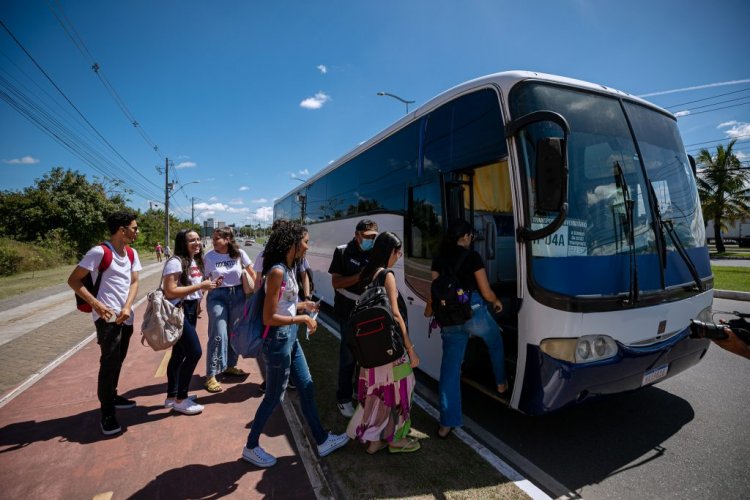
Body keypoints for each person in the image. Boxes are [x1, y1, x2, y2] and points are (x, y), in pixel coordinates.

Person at [242, 222, 349, 467]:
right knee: (274, 397)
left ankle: (322, 440)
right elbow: (268, 317)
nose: (307, 247)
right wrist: (301, 318)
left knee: (307, 386)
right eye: (305, 242)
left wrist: (304, 306)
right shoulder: (277, 271)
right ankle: (251, 446)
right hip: (278, 340)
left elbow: (285, 305)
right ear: (293, 243)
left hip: (289, 336)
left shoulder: (290, 269)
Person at [426, 219, 508, 439]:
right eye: (471, 236)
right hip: (473, 313)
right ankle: (501, 384)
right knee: (495, 341)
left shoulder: (438, 259)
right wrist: (497, 301)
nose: (472, 239)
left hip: (450, 318)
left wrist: (431, 311)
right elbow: (486, 291)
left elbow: (435, 292)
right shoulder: (472, 257)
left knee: (450, 372)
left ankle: (446, 424)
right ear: (465, 237)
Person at [67, 211, 142, 436]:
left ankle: (113, 395)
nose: (137, 231)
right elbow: (73, 280)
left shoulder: (131, 253)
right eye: (134, 227)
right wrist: (96, 305)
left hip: (126, 316)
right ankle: (107, 412)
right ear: (122, 230)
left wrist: (128, 307)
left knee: (119, 359)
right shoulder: (99, 252)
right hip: (106, 319)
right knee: (108, 363)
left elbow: (135, 282)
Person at [346, 231, 421, 454]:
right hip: (390, 351)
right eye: (398, 252)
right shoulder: (387, 275)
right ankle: (395, 438)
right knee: (403, 389)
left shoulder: (367, 275)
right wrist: (410, 349)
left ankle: (374, 439)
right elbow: (395, 315)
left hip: (371, 351)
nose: (399, 256)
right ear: (390, 252)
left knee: (378, 394)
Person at [162, 229, 219, 414]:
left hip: (190, 308)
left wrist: (200, 294)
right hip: (179, 311)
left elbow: (192, 288)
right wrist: (201, 286)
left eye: (198, 239)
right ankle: (181, 398)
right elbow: (170, 291)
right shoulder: (175, 262)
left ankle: (172, 396)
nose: (197, 243)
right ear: (182, 243)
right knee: (194, 352)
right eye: (191, 240)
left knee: (179, 354)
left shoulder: (194, 260)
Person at [328, 219, 378, 417]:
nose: (371, 241)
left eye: (374, 237)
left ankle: (360, 391)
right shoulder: (342, 252)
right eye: (368, 237)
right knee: (348, 357)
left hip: (369, 311)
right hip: (347, 313)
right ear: (357, 235)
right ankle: (344, 398)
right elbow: (336, 282)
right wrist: (360, 276)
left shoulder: (376, 252)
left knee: (366, 357)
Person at [202, 228, 257, 392]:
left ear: (227, 239)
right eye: (213, 238)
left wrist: (258, 295)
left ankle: (229, 366)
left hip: (238, 295)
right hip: (217, 296)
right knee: (218, 333)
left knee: (234, 332)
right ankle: (211, 375)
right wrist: (198, 300)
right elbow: (205, 279)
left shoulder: (239, 253)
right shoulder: (209, 256)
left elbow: (252, 273)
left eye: (216, 238)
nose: (213, 241)